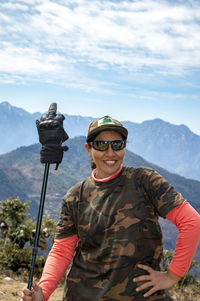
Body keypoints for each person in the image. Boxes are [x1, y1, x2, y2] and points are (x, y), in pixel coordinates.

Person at [21, 115, 200, 301]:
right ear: (88, 149)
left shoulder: (145, 181)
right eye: (100, 144)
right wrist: (43, 291)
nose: (110, 152)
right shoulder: (75, 196)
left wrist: (173, 275)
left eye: (117, 144)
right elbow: (62, 250)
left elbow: (191, 222)